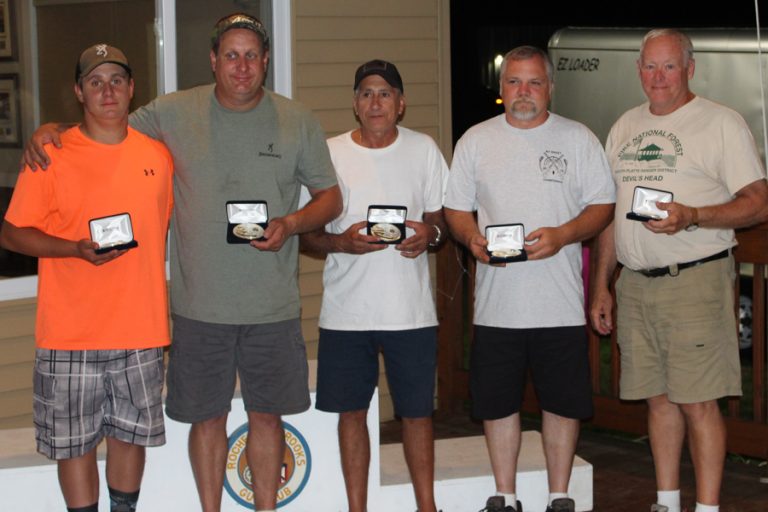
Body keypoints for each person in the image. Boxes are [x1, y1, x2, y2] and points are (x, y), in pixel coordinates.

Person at [23, 14, 342, 512]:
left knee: (268, 417)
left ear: (266, 62)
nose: (241, 67)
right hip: (198, 308)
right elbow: (107, 121)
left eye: (252, 56)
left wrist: (293, 223)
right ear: (213, 60)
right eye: (230, 56)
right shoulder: (173, 113)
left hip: (272, 307)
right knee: (206, 419)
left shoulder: (296, 119)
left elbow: (331, 198)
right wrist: (52, 130)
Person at [590, 29, 768, 512]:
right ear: (638, 70)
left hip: (694, 280)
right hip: (636, 285)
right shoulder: (625, 126)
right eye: (650, 66)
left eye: (669, 66)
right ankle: (666, 502)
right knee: (658, 399)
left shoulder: (720, 123)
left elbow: (758, 203)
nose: (659, 77)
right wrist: (603, 284)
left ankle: (707, 508)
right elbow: (610, 213)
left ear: (691, 68)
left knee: (698, 402)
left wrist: (694, 215)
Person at [0, 44, 173, 512]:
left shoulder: (159, 156)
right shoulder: (50, 154)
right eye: (95, 82)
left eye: (117, 79)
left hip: (141, 328)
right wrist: (72, 249)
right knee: (73, 443)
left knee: (130, 436)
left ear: (132, 88)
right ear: (79, 92)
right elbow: (12, 234)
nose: (108, 90)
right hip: (68, 331)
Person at [444, 46, 615, 512]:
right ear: (501, 88)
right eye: (515, 82)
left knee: (562, 403)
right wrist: (471, 240)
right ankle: (506, 495)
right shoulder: (475, 140)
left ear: (550, 88)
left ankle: (559, 495)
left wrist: (564, 234)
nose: (524, 92)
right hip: (497, 305)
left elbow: (603, 206)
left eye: (534, 83)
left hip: (558, 303)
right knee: (498, 404)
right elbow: (455, 208)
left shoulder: (578, 139)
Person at [299, 59, 447, 512]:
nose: (375, 101)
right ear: (355, 105)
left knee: (417, 414)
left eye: (385, 93)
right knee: (352, 413)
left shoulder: (424, 150)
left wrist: (430, 236)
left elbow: (442, 223)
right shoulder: (330, 152)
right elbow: (306, 234)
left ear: (401, 104)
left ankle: (427, 506)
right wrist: (341, 242)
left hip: (410, 310)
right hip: (348, 312)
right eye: (366, 93)